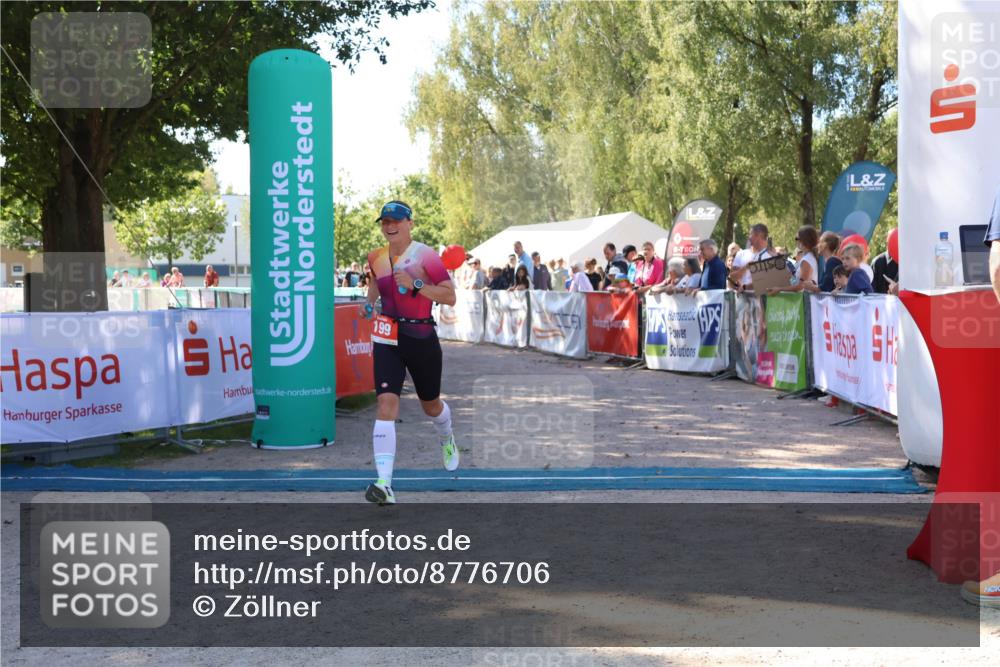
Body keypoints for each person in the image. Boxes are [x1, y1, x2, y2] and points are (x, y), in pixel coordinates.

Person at [361, 200, 459, 505]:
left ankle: (447, 437)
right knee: (386, 404)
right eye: (385, 222)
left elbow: (450, 296)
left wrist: (417, 284)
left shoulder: (426, 255)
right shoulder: (375, 257)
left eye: (396, 221)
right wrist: (369, 303)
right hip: (387, 336)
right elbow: (376, 284)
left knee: (430, 405)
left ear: (409, 224)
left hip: (420, 336)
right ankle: (384, 484)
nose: (389, 227)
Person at [767, 226, 818, 295]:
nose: (796, 241)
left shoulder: (807, 260)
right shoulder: (807, 257)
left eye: (797, 238)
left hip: (806, 301)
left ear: (804, 240)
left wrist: (779, 289)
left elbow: (800, 287)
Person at [729, 224, 772, 291]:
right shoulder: (741, 254)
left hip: (762, 298)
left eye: (750, 234)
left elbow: (768, 282)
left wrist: (745, 287)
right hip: (742, 298)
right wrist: (746, 267)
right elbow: (732, 277)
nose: (749, 237)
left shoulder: (770, 257)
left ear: (758, 235)